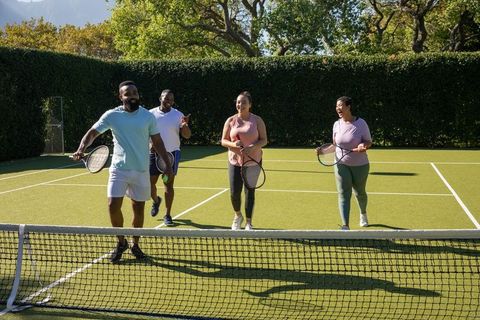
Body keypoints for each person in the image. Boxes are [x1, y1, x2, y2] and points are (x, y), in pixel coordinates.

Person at [72, 81, 173, 263]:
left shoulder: (147, 117)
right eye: (128, 93)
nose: (132, 96)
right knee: (112, 205)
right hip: (118, 169)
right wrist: (81, 148)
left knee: (138, 209)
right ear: (121, 97)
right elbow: (92, 133)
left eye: (135, 92)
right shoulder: (112, 115)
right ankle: (121, 242)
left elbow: (157, 142)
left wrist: (167, 163)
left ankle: (135, 244)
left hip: (141, 170)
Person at [316, 96, 372, 230]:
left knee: (360, 193)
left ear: (348, 107)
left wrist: (363, 146)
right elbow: (335, 146)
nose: (338, 108)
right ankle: (345, 225)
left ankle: (363, 214)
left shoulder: (361, 123)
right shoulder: (337, 124)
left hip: (360, 165)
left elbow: (368, 141)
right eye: (337, 106)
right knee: (343, 193)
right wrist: (322, 151)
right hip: (341, 164)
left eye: (340, 105)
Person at [221, 91, 267, 230]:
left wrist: (253, 147)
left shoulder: (257, 120)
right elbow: (223, 141)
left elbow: (264, 140)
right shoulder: (230, 120)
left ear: (250, 105)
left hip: (253, 162)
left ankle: (248, 222)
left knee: (249, 192)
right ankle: (237, 215)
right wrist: (234, 145)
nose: (240, 105)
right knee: (234, 193)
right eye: (238, 102)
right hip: (235, 162)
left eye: (244, 102)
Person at [149, 89, 191, 225]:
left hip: (172, 154)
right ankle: (156, 201)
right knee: (150, 184)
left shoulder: (178, 115)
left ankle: (167, 215)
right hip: (153, 154)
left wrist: (185, 125)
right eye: (166, 98)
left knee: (168, 184)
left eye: (171, 100)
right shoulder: (150, 114)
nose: (169, 101)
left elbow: (187, 135)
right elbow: (145, 132)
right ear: (160, 98)